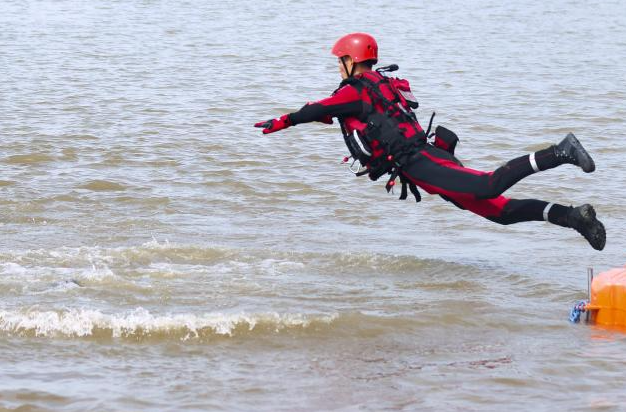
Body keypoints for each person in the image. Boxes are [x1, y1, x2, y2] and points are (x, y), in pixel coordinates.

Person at [254, 33, 607, 250]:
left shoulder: (353, 92)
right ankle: (573, 217)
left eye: (339, 61)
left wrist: (281, 122)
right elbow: (336, 114)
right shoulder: (380, 84)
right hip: (427, 160)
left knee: (488, 186)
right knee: (498, 212)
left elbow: (316, 108)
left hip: (422, 161)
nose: (337, 67)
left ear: (351, 60)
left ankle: (561, 152)